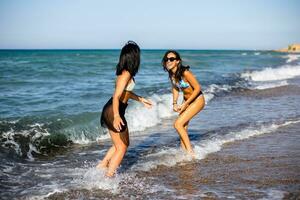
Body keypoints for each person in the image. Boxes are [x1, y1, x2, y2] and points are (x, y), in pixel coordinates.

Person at [97, 41, 153, 177]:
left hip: (112, 109)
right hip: (114, 110)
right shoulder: (125, 74)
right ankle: (109, 177)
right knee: (122, 147)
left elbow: (125, 93)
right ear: (134, 57)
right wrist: (117, 116)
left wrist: (140, 99)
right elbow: (116, 97)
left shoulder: (124, 73)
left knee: (119, 144)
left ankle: (102, 165)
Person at [162, 50, 205, 156]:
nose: (168, 61)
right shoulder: (171, 74)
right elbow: (175, 88)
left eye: (171, 59)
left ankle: (191, 153)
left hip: (197, 100)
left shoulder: (185, 72)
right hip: (186, 101)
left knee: (177, 124)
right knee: (183, 127)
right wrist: (174, 103)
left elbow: (197, 88)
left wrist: (186, 104)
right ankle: (184, 153)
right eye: (166, 59)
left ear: (177, 61)